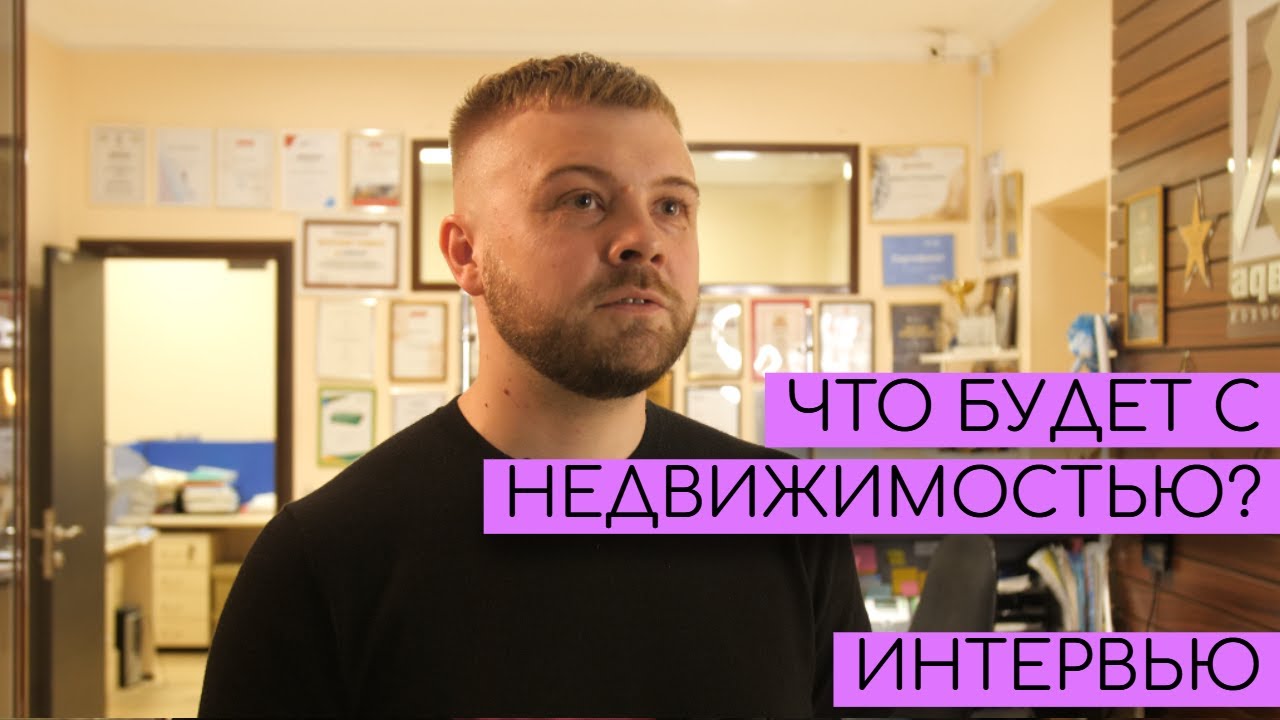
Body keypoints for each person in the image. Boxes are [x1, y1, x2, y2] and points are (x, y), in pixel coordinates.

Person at [198, 52, 871, 718]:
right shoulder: (322, 562)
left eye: (671, 205)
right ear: (467, 253)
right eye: (582, 200)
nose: (644, 238)